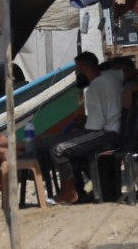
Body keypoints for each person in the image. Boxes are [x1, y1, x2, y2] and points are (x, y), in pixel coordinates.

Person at [41, 53, 124, 204]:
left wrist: (78, 131)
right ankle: (78, 190)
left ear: (84, 69)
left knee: (57, 148)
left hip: (107, 134)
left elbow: (94, 127)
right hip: (115, 131)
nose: (76, 75)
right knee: (66, 142)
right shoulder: (111, 78)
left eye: (77, 71)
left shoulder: (95, 87)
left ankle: (70, 192)